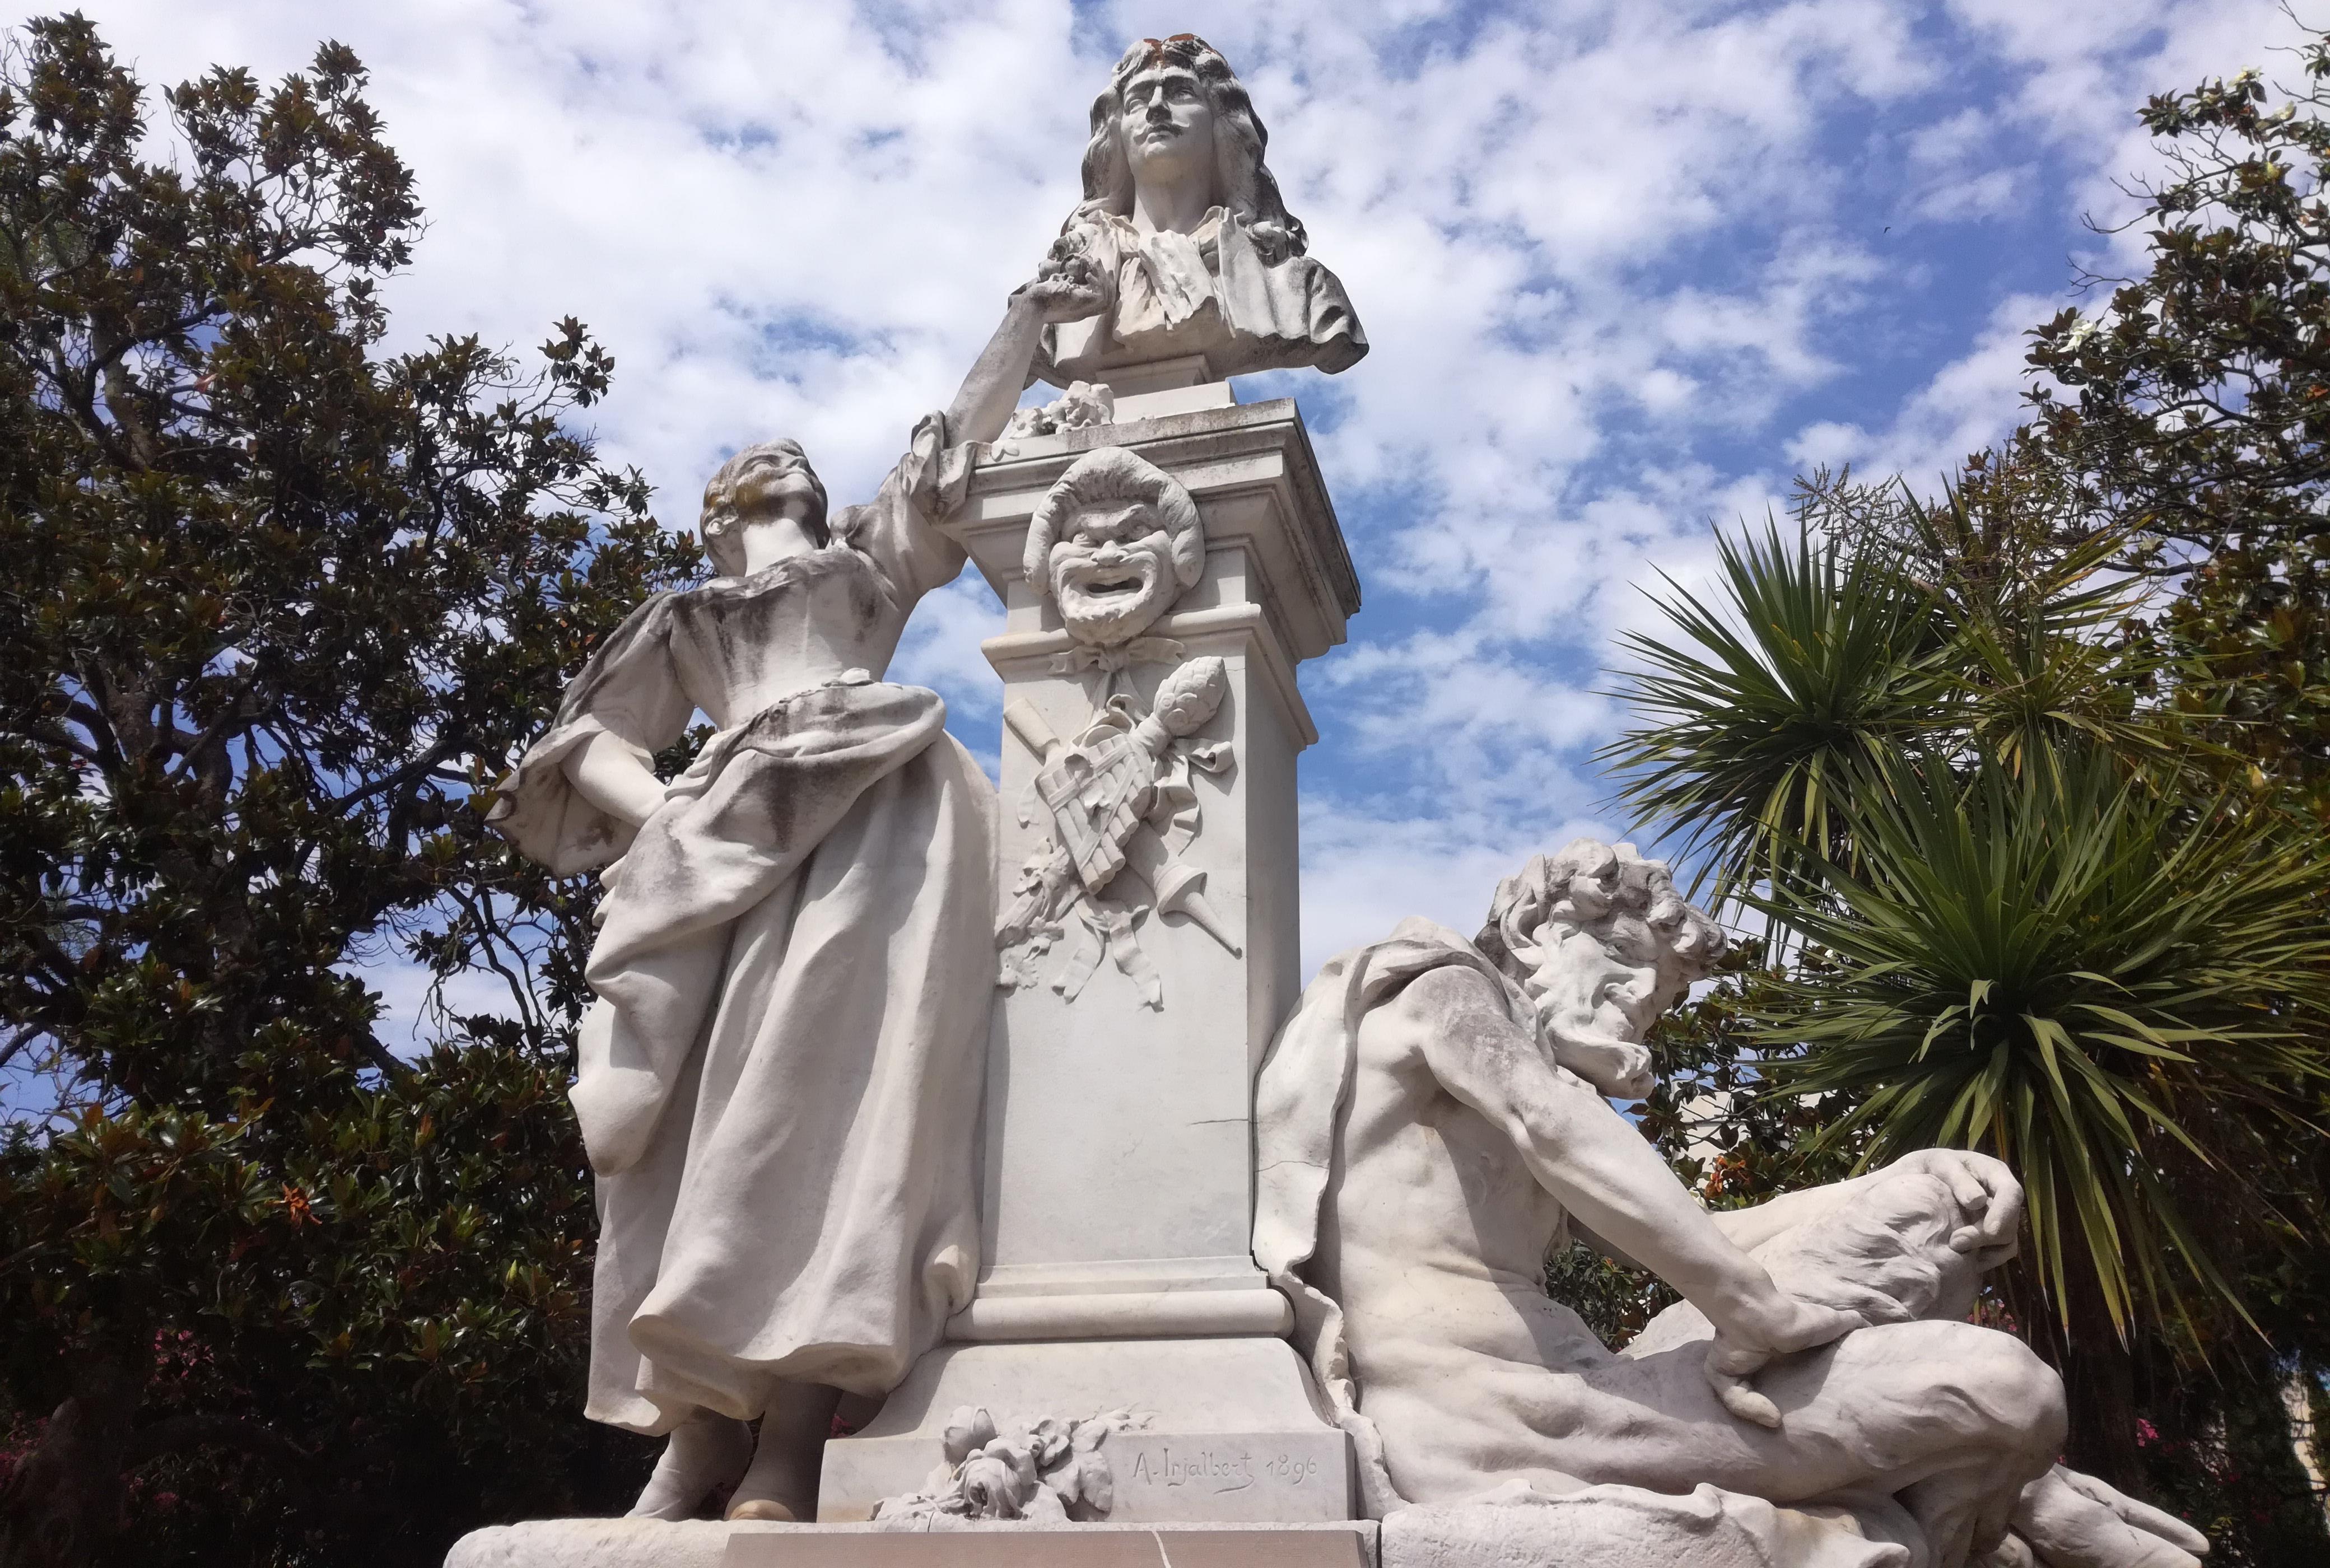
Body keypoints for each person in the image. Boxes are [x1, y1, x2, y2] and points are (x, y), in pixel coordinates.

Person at [488, 264, 1103, 1523]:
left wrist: (1024, 326)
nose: (787, 458)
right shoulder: (685, 613)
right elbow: (586, 743)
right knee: (700, 1125)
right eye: (759, 461)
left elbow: (951, 447)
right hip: (727, 837)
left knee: (841, 1106)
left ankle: (793, 1441)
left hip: (876, 805)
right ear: (718, 514)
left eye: (799, 459)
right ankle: (703, 1427)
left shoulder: (866, 561)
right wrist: (669, 813)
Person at [1253, 842, 2210, 1568]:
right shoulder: (1438, 991)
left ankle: (2002, 1484)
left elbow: (1697, 1235)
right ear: (1538, 933)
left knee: (1935, 1206)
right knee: (2004, 1387)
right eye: (1619, 956)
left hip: (1590, 1392)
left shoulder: (1542, 1097)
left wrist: (1899, 1180)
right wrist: (1753, 1308)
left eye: (1658, 998)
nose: (1636, 998)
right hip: (1494, 1418)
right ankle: (2004, 1492)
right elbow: (1551, 1127)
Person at [1033, 33, 1366, 387]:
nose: (1156, 108)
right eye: (1137, 100)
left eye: (1181, 93)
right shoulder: (1054, 300)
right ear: (1117, 133)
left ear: (1222, 125)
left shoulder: (1299, 289)